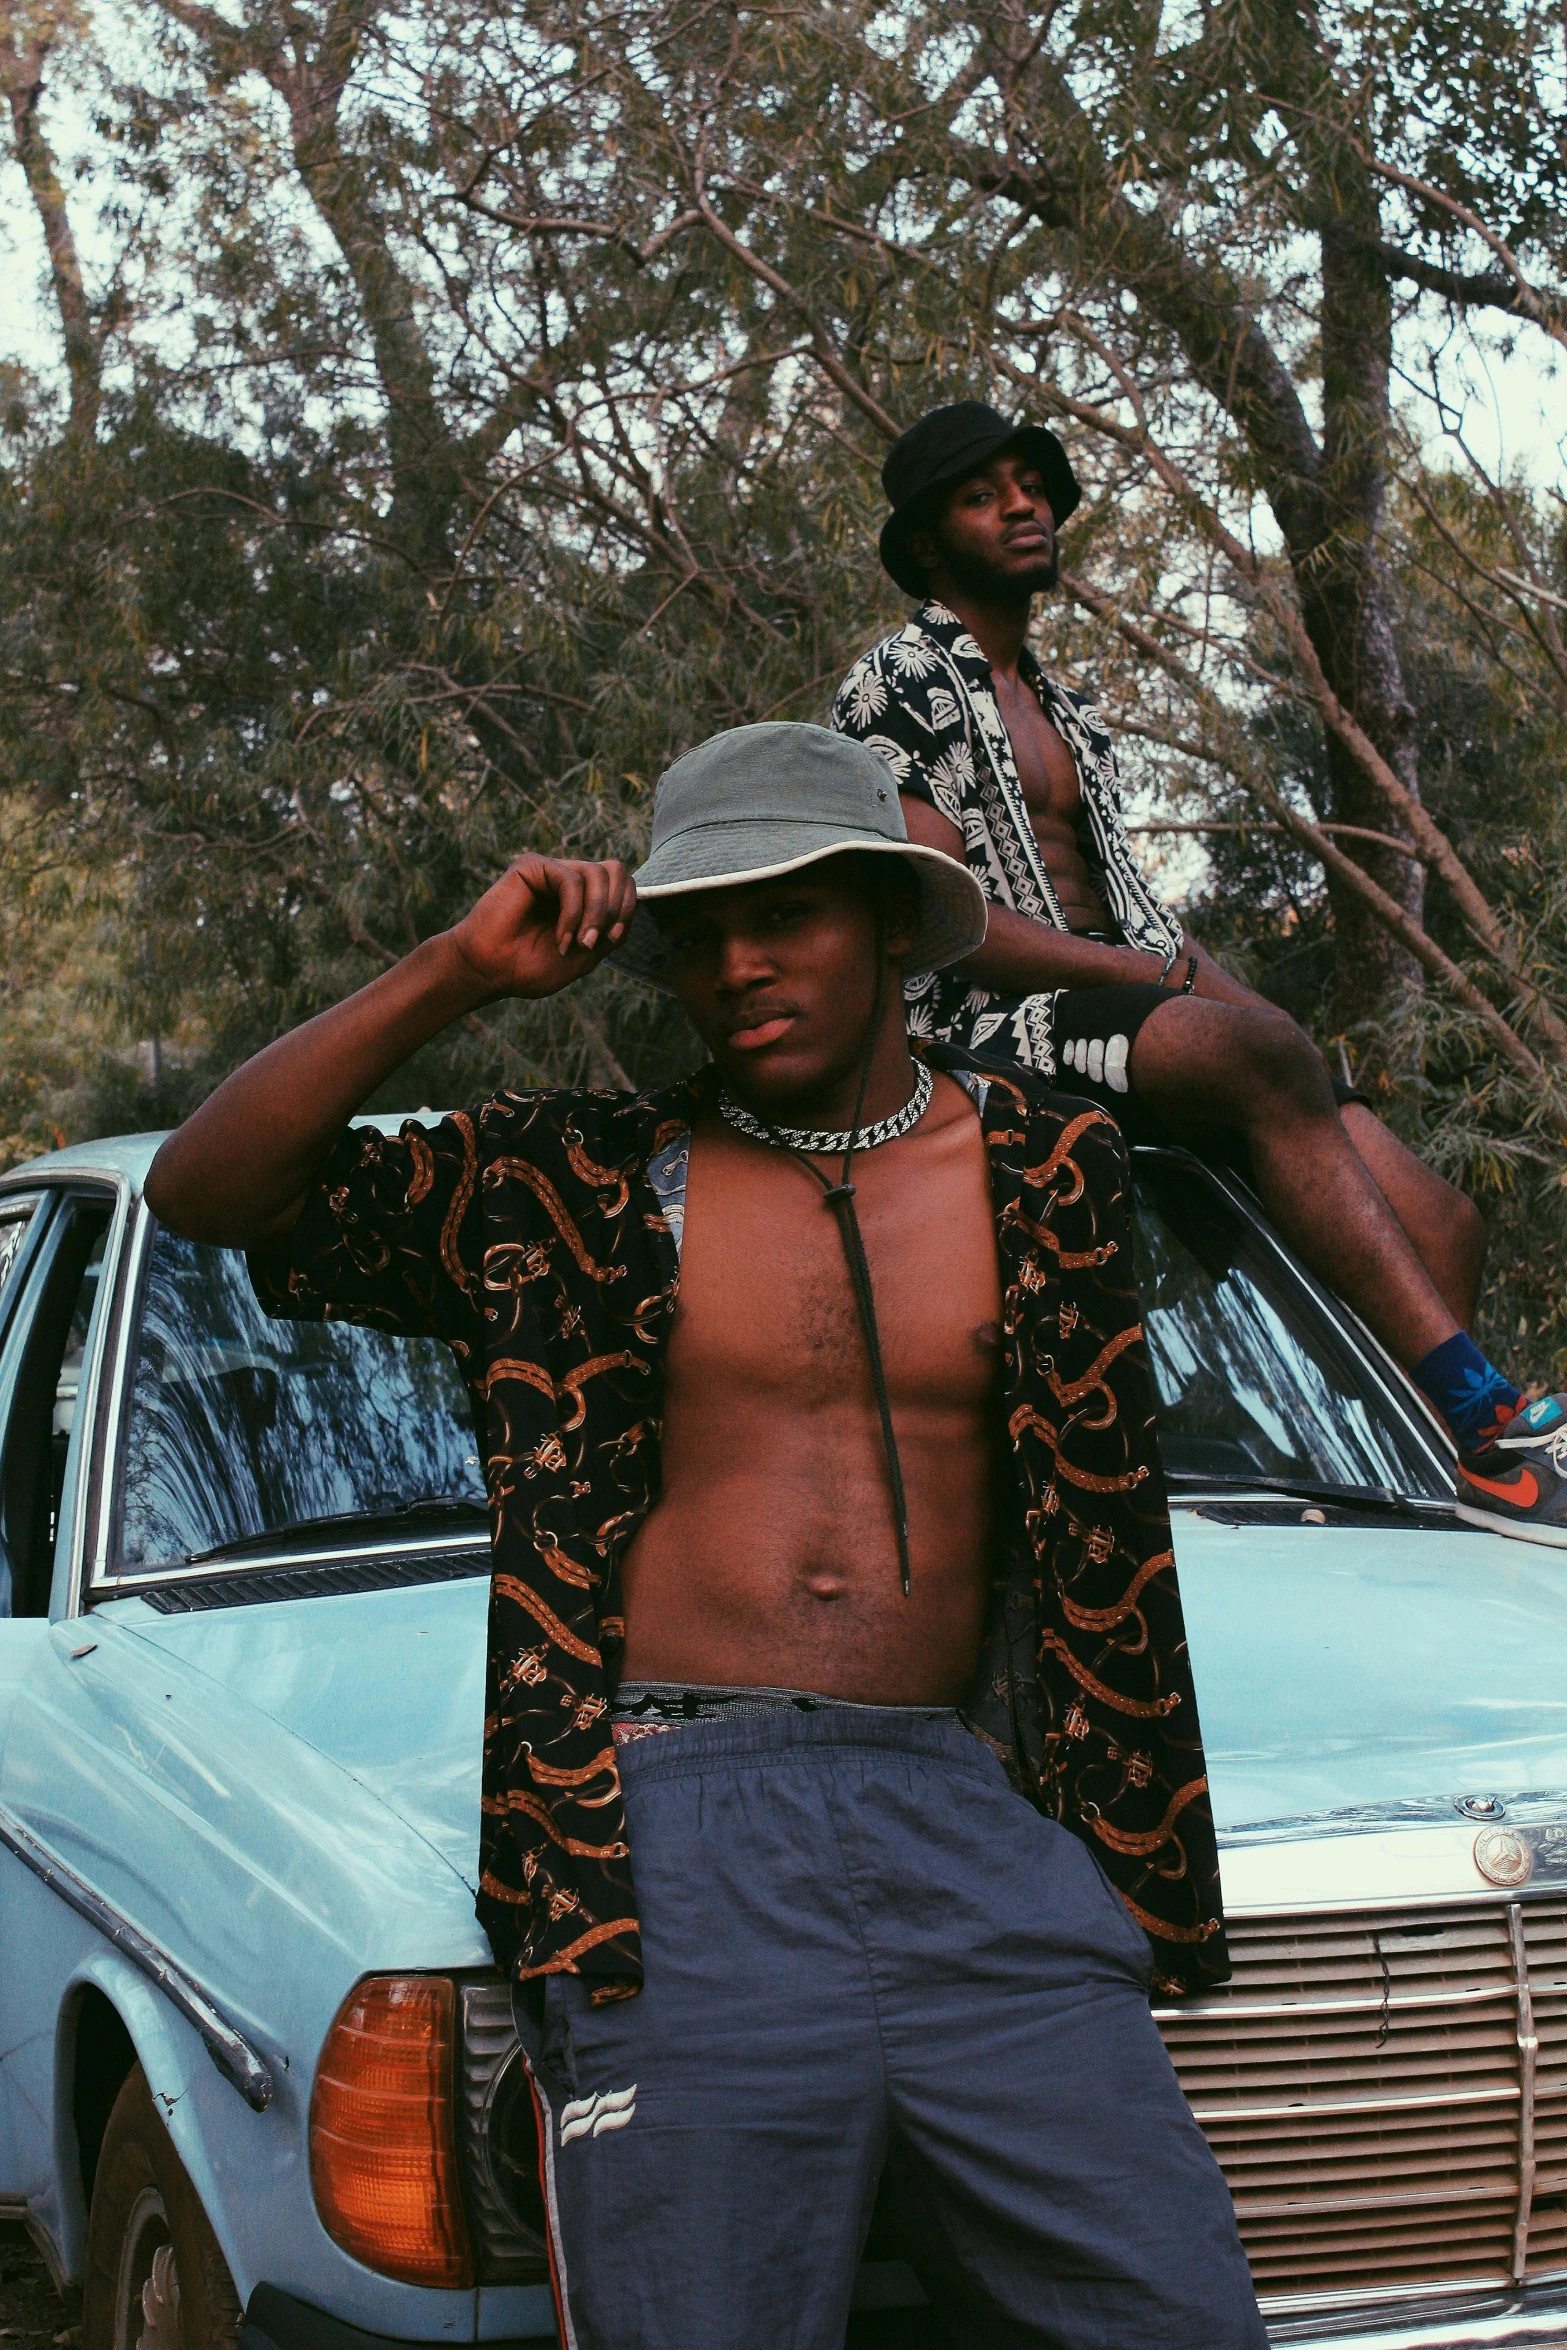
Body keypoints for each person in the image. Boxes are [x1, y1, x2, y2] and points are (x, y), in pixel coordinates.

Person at [145, 724, 1267, 2350]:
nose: (738, 964)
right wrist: (457, 971)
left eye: (788, 914)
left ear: (889, 921)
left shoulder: (1052, 1174)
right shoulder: (579, 1184)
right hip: (669, 1836)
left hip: (970, 1814)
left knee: (1173, 2314)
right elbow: (208, 1189)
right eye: (701, 928)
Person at [832, 399, 1567, 1543]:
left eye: (1033, 486)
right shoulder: (898, 681)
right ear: (927, 542)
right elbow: (944, 922)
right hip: (976, 1027)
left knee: (1443, 1215)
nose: (1023, 505)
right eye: (986, 494)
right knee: (1257, 1054)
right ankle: (1484, 1420)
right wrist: (1148, 980)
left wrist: (1279, 1039)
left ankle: (1417, 1451)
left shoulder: (1070, 716)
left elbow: (1142, 915)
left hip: (1124, 1003)